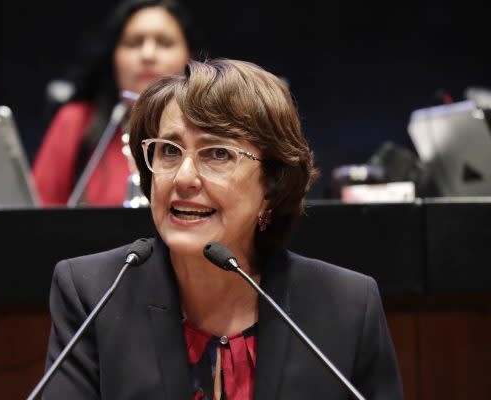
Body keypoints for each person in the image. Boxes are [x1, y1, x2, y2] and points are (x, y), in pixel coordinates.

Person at [44, 59, 403, 399]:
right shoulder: (92, 294)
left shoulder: (347, 306)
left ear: (272, 186)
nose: (184, 178)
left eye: (217, 154)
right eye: (169, 151)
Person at [33, 0, 194, 206]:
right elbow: (38, 217)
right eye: (134, 43)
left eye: (164, 42)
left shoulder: (208, 128)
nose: (148, 55)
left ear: (190, 57)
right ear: (113, 57)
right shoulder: (77, 120)